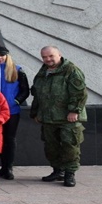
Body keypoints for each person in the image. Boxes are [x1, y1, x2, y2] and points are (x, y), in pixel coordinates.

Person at [30, 46, 87, 187]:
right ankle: (57, 171)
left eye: (51, 56)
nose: (48, 59)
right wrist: (35, 112)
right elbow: (37, 94)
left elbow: (79, 93)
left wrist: (74, 111)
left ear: (59, 54)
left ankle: (69, 173)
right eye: (44, 57)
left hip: (68, 118)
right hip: (48, 117)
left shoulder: (71, 70)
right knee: (51, 147)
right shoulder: (43, 72)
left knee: (70, 146)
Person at [0, 46, 30, 180]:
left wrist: (15, 101)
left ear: (6, 56)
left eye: (2, 55)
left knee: (9, 139)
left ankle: (8, 167)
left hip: (11, 111)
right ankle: (0, 167)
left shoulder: (17, 71)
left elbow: (25, 90)